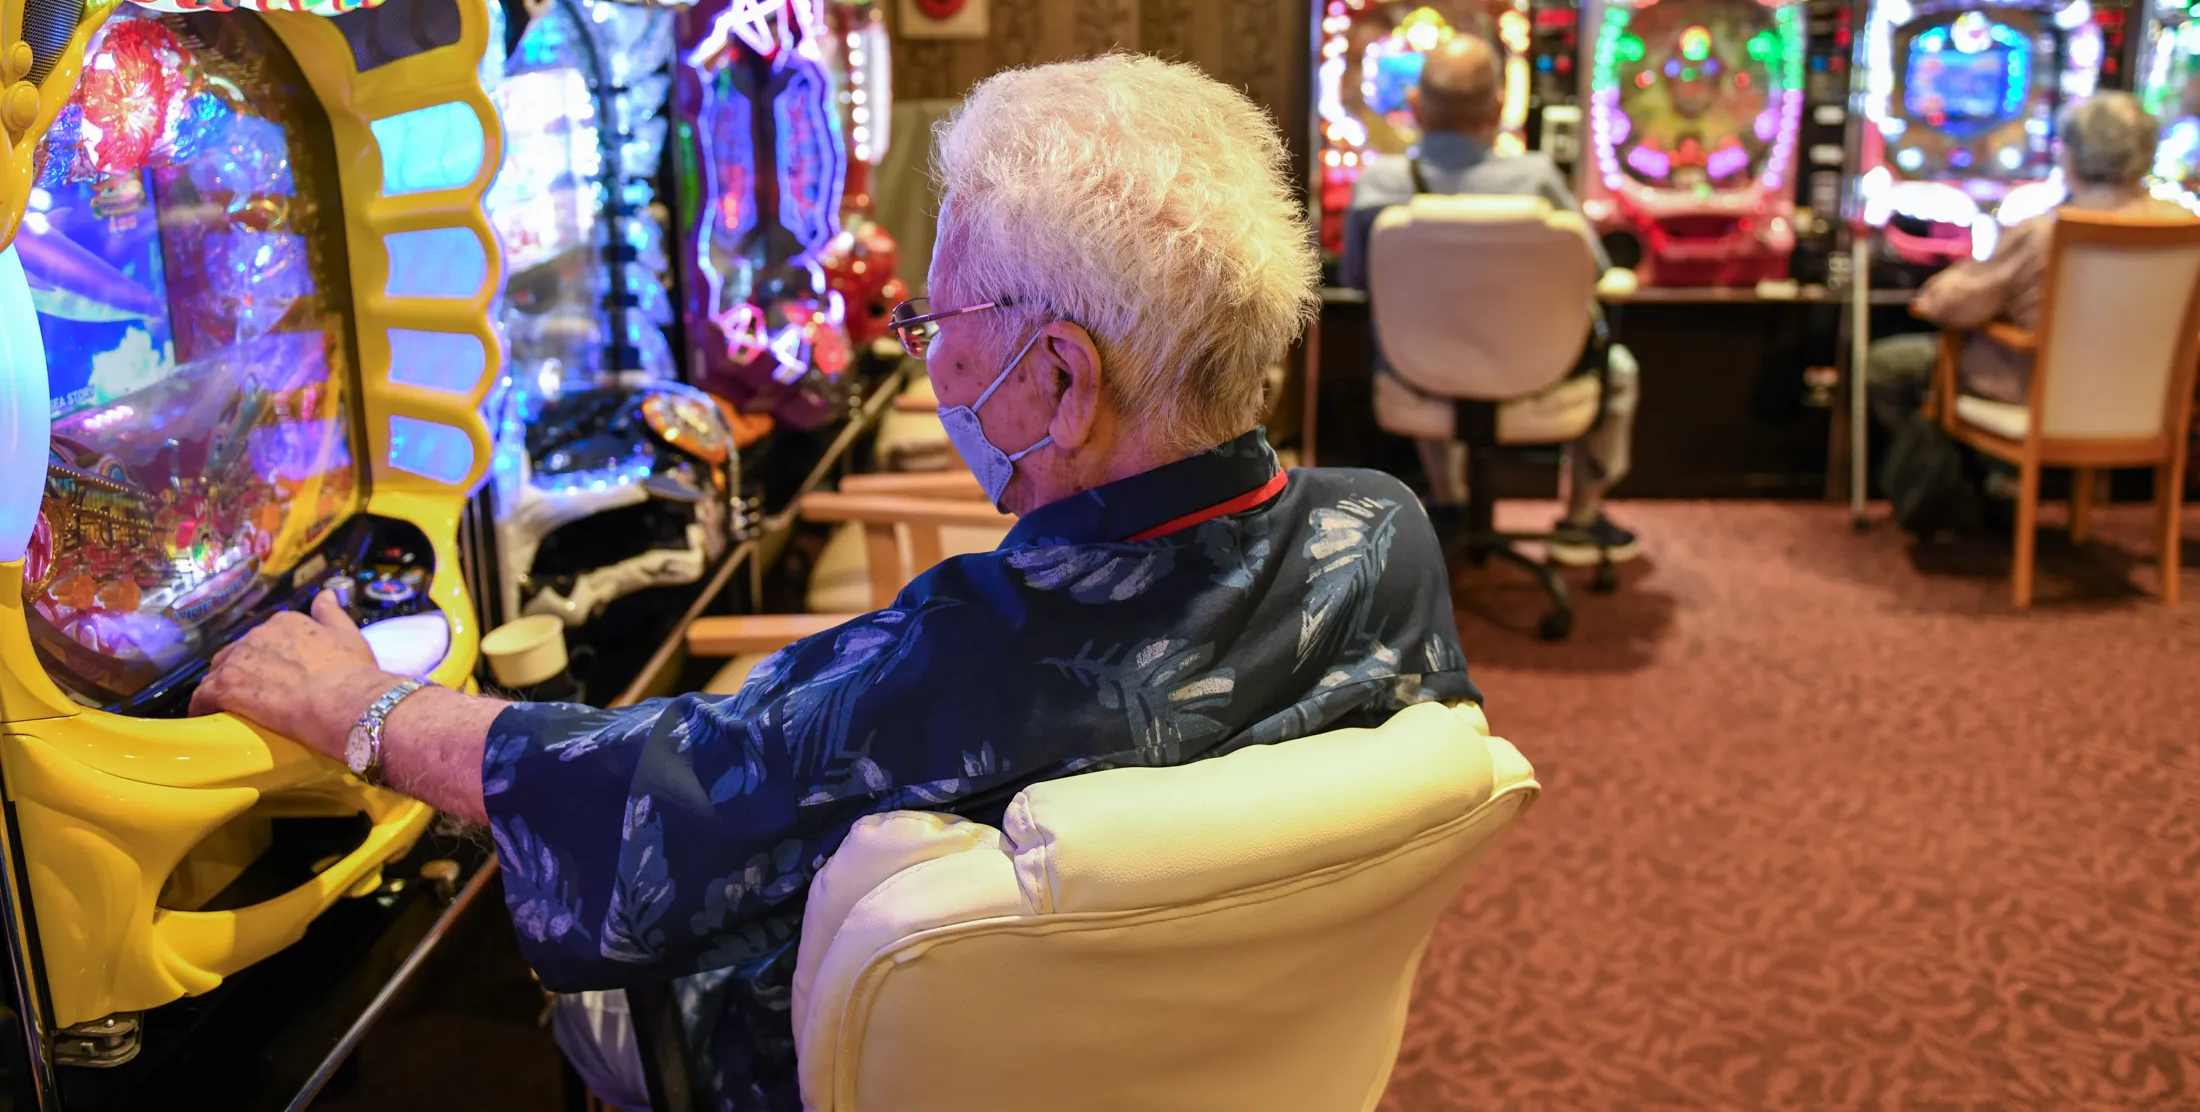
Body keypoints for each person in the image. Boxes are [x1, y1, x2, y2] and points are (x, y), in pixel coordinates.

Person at [191, 54, 1480, 1112]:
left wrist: (354, 702)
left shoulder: (959, 662)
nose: (924, 362)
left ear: (1060, 378)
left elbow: (621, 797)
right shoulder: (1387, 534)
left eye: (938, 328)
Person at [1340, 34, 1641, 566]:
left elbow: (1358, 283)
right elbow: (1592, 274)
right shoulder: (1536, 179)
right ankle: (1581, 520)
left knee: (1426, 340)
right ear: (1500, 108)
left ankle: (1450, 502)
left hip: (1417, 375)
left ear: (1414, 106)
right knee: (1617, 366)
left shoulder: (1376, 186)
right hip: (1541, 377)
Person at [1866, 92, 2187, 441]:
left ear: (2069, 156)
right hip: (2149, 405)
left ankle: (1985, 485)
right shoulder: (2185, 226)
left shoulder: (2045, 231)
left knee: (1886, 365)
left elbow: (1944, 305)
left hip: (2039, 396)